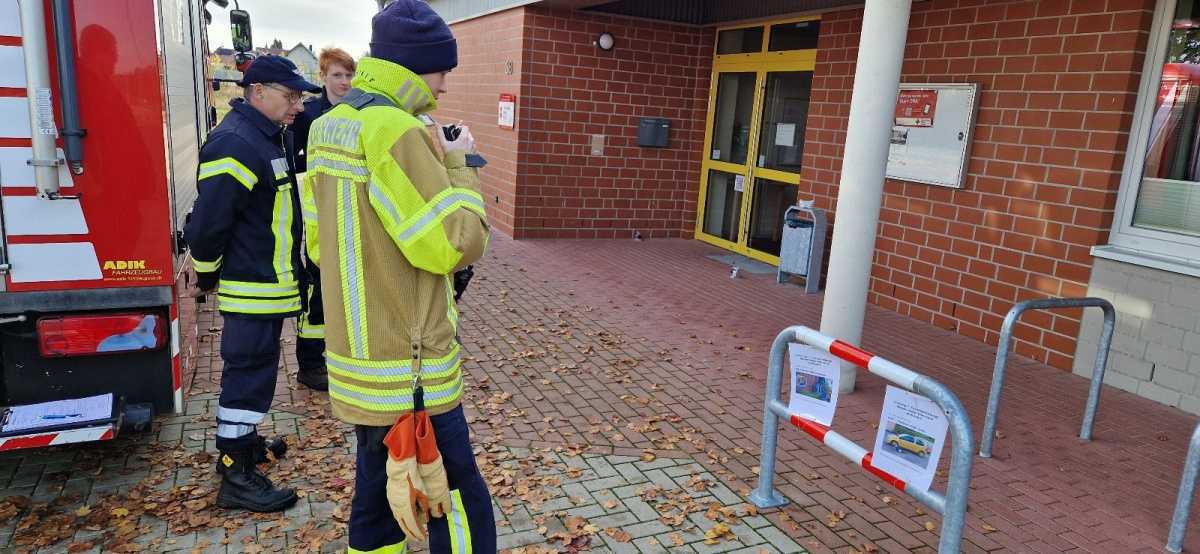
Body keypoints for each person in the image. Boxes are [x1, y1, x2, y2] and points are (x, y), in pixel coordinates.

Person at [301, 1, 494, 551]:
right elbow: (453, 245)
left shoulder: (331, 126)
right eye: (442, 71)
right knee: (453, 498)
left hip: (358, 359)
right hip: (411, 368)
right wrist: (459, 164)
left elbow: (320, 246)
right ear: (415, 66)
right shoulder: (395, 129)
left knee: (379, 491)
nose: (445, 86)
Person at [184, 55, 319, 513]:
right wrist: (205, 270)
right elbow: (208, 224)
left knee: (256, 375)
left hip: (269, 284)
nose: (298, 106)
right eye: (291, 95)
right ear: (258, 91)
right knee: (246, 377)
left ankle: (246, 444)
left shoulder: (265, 138)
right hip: (252, 287)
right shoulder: (236, 144)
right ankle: (236, 472)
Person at [287, 47, 357, 392]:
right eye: (337, 75)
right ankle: (310, 364)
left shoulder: (359, 111)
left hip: (347, 213)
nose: (344, 81)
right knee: (315, 289)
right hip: (313, 216)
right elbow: (291, 161)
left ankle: (337, 356)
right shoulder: (308, 114)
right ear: (323, 77)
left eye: (348, 75)